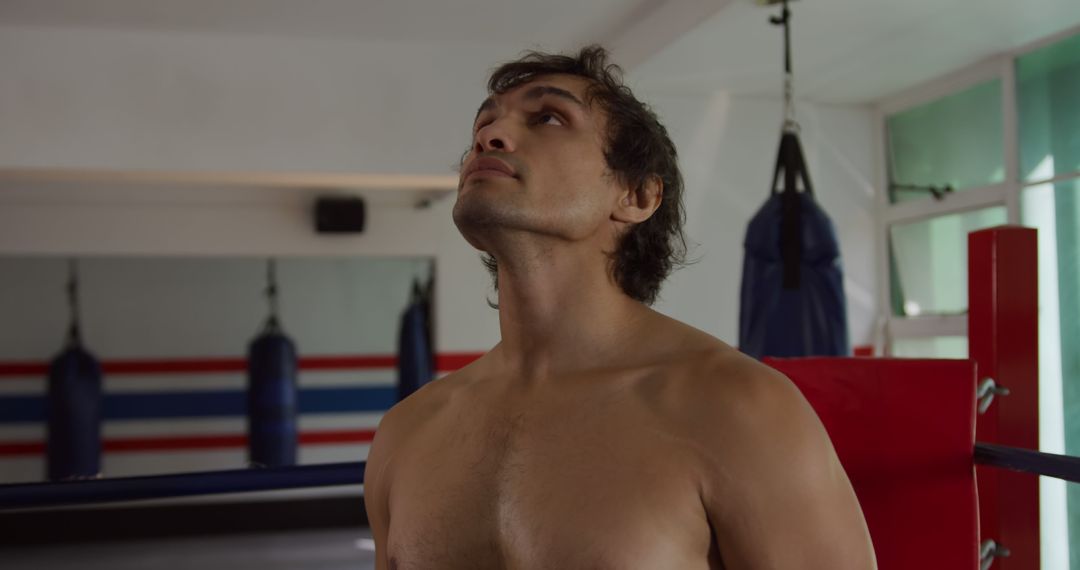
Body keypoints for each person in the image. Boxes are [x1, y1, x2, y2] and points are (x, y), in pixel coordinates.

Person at [364, 45, 876, 569]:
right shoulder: (407, 432)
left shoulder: (740, 409)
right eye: (484, 124)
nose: (487, 138)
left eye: (547, 117)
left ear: (636, 195)